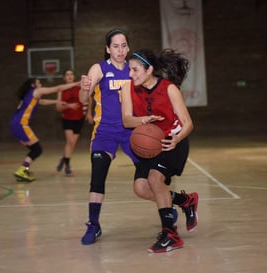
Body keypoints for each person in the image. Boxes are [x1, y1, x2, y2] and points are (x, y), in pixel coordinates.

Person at [79, 29, 195, 247]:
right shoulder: (100, 68)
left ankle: (176, 203)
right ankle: (93, 224)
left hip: (136, 133)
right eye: (115, 46)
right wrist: (84, 89)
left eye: (124, 45)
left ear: (128, 48)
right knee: (98, 173)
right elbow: (83, 97)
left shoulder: (136, 70)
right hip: (106, 131)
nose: (120, 50)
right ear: (107, 49)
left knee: (147, 183)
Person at [120, 48, 198, 253]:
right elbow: (127, 120)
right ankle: (185, 201)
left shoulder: (169, 89)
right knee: (141, 188)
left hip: (173, 142)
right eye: (130, 70)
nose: (131, 74)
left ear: (149, 70)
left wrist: (176, 139)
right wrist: (143, 120)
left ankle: (170, 235)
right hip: (148, 144)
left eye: (135, 70)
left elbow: (188, 123)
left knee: (155, 180)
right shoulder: (127, 89)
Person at [10, 78, 80, 182]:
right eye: (39, 82)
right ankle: (22, 170)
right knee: (37, 149)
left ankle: (24, 169)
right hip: (21, 124)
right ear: (33, 85)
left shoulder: (30, 95)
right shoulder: (37, 91)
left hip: (15, 124)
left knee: (34, 149)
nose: (41, 84)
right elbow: (58, 88)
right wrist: (77, 83)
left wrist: (57, 101)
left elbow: (42, 101)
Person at [55, 68, 85, 177]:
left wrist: (89, 113)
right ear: (64, 78)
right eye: (67, 75)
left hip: (79, 118)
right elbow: (58, 107)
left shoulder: (79, 87)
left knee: (72, 144)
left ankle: (64, 158)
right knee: (70, 142)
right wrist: (68, 106)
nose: (69, 76)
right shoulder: (61, 89)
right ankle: (67, 166)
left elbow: (89, 99)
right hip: (67, 119)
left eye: (71, 74)